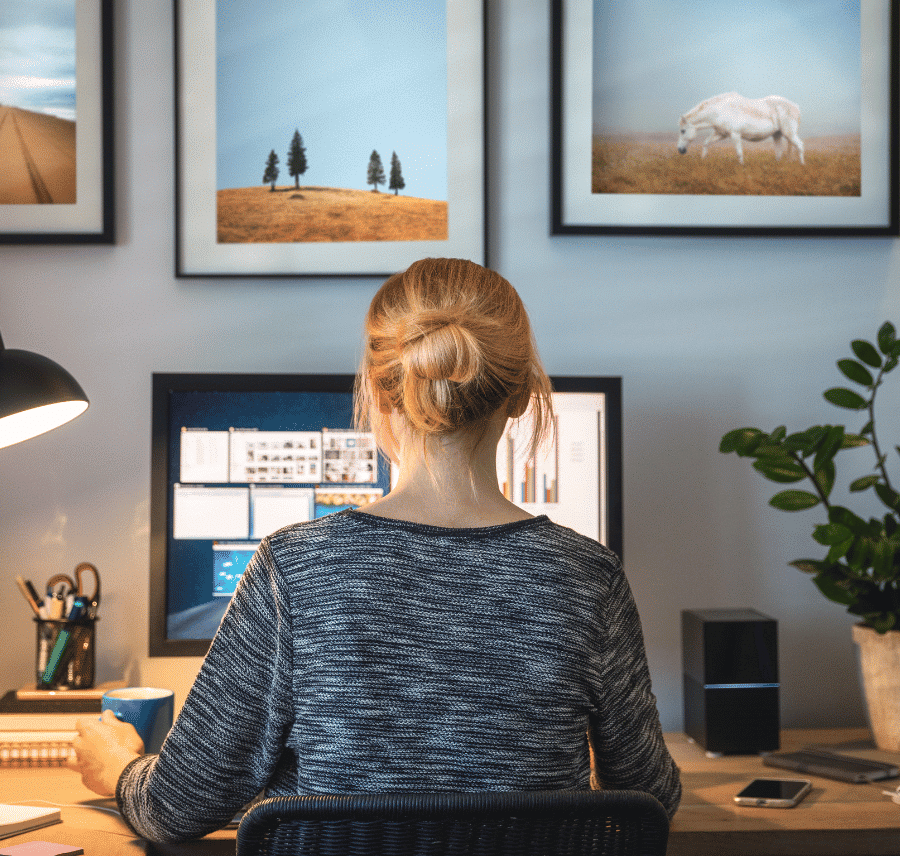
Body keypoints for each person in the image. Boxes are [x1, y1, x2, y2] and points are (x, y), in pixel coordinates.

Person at [72, 257, 680, 842]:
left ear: (380, 394)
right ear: (522, 396)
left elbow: (178, 808)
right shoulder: (588, 577)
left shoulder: (294, 569)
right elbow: (650, 796)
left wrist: (120, 770)